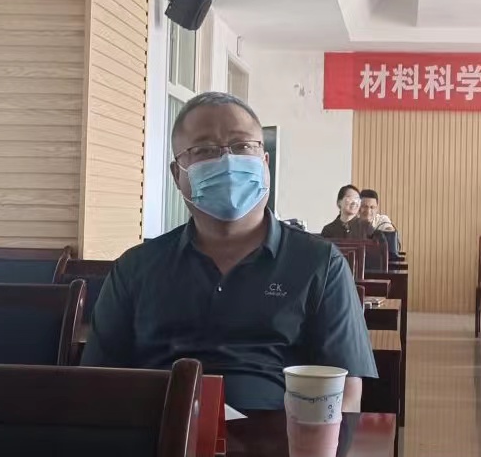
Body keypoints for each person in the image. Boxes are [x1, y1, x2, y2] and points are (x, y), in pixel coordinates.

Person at [81, 92, 377, 412]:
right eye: (204, 150)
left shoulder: (321, 264)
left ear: (264, 163)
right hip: (158, 429)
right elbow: (97, 385)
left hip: (277, 434)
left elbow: (346, 396)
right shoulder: (134, 269)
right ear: (177, 174)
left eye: (242, 146)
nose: (227, 161)